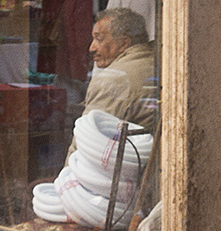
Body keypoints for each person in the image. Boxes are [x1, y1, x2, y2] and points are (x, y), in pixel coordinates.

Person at [66, 7, 155, 159]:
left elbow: (85, 143)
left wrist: (65, 179)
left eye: (99, 39)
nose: (91, 48)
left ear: (124, 43)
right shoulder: (156, 60)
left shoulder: (113, 79)